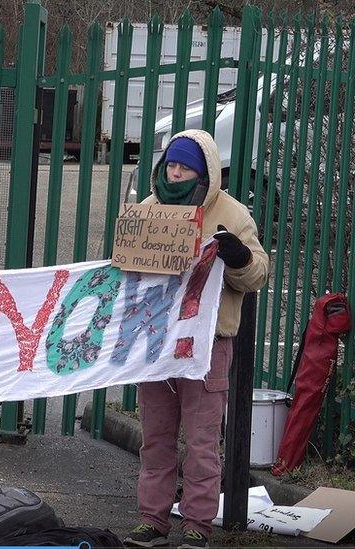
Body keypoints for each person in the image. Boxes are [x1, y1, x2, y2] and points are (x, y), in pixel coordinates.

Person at [123, 130, 269, 549]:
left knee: (202, 441)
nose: (176, 171)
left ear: (204, 171)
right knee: (156, 436)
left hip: (207, 344)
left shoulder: (233, 214)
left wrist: (238, 257)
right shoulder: (148, 209)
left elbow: (258, 273)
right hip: (157, 343)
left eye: (185, 165)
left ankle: (197, 525)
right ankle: (152, 519)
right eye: (171, 163)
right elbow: (124, 268)